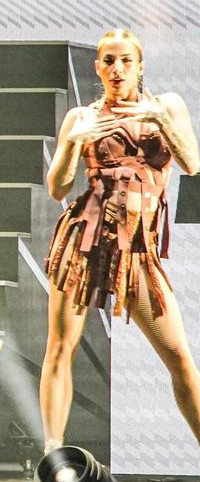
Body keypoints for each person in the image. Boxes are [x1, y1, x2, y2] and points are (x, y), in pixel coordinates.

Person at [40, 27, 200, 452]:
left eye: (126, 60)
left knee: (178, 355)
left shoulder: (165, 106)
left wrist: (160, 121)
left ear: (139, 66)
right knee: (60, 346)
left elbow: (191, 164)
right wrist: (73, 144)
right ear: (98, 67)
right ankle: (52, 455)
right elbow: (57, 188)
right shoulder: (83, 116)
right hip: (86, 237)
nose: (117, 68)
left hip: (138, 246)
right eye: (109, 61)